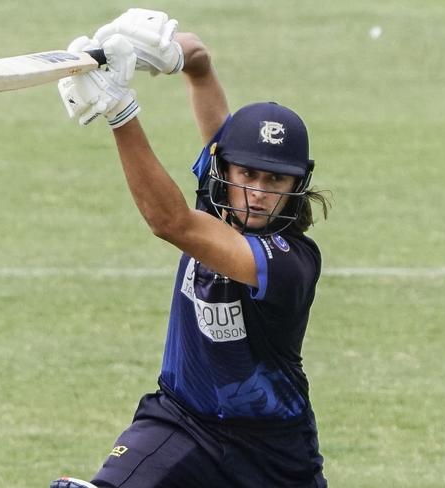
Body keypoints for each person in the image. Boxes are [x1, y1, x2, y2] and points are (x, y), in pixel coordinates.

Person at [52, 8, 330, 488]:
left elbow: (171, 223)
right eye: (247, 174)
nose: (259, 191)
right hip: (181, 420)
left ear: (296, 186)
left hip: (270, 452)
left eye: (275, 179)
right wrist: (167, 53)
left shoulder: (292, 263)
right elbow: (201, 69)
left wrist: (120, 113)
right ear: (225, 168)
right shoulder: (219, 196)